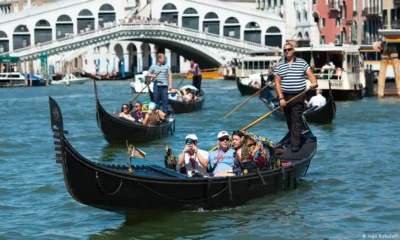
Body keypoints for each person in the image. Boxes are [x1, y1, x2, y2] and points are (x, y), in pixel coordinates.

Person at [274, 42, 318, 152]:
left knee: (296, 119)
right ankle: (295, 136)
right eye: (285, 50)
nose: (287, 51)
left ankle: (295, 143)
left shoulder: (302, 63)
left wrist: (314, 82)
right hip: (285, 96)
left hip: (299, 95)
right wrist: (281, 98)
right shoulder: (280, 65)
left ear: (293, 51)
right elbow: (277, 83)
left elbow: (311, 76)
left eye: (289, 49)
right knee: (289, 119)